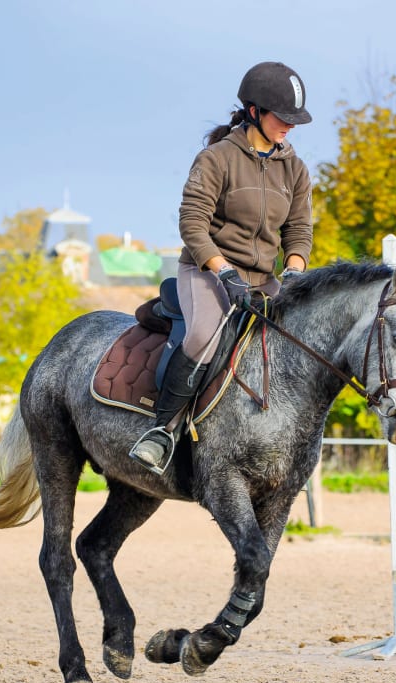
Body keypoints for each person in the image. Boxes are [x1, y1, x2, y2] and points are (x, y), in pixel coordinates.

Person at [130, 61, 313, 473]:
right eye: (282, 118)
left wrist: (296, 272)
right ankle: (163, 431)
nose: (290, 127)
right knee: (203, 336)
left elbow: (299, 229)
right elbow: (192, 223)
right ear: (253, 112)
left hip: (264, 279)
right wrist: (222, 269)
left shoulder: (296, 169)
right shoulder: (216, 159)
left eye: (294, 120)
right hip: (206, 271)